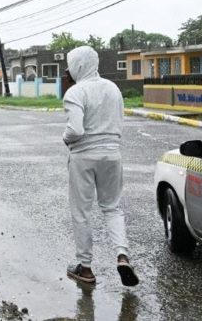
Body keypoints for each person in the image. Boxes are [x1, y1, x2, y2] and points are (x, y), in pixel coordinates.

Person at [62, 46, 139, 287]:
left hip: (84, 156)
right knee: (112, 208)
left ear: (79, 66)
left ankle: (85, 268)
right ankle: (122, 256)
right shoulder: (113, 89)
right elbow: (119, 121)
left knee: (82, 212)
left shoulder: (75, 92)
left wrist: (65, 138)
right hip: (112, 154)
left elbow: (75, 130)